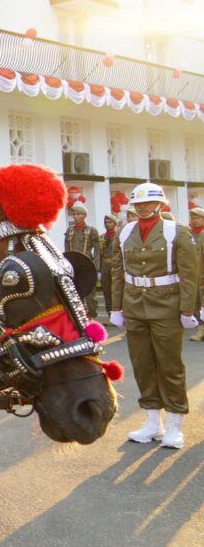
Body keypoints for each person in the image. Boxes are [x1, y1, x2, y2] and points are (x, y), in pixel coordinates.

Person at [110, 183, 199, 449]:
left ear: (160, 204)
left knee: (169, 366)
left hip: (167, 306)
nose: (143, 207)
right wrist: (116, 307)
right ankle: (152, 421)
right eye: (138, 204)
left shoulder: (176, 232)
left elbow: (189, 275)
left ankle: (174, 423)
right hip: (135, 305)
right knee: (142, 364)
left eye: (148, 203)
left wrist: (187, 309)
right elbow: (117, 271)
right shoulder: (125, 232)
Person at [65, 203, 100, 318]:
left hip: (87, 264)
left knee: (90, 293)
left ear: (84, 215)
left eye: (78, 214)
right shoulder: (70, 230)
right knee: (75, 291)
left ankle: (92, 316)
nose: (75, 216)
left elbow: (98, 250)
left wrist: (96, 266)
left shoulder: (91, 231)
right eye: (74, 214)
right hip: (73, 265)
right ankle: (79, 316)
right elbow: (66, 249)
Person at [189, 207, 204, 342]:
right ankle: (200, 328)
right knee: (196, 303)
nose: (195, 220)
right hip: (192, 274)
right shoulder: (187, 235)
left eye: (198, 218)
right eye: (193, 218)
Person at [100, 213, 119, 316]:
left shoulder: (119, 236)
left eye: (110, 222)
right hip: (105, 265)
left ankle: (120, 312)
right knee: (107, 291)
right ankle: (110, 314)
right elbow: (99, 253)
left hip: (117, 265)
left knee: (117, 290)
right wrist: (98, 269)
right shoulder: (102, 237)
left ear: (115, 223)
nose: (107, 224)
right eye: (106, 222)